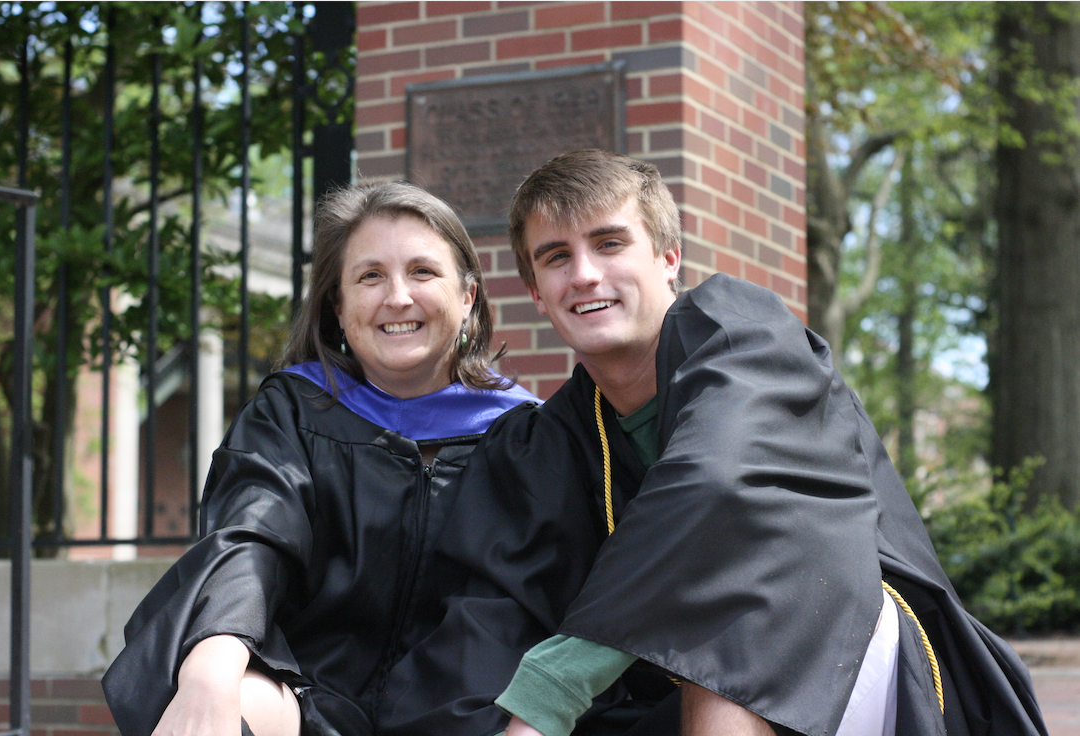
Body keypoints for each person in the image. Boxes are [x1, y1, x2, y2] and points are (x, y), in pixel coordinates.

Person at [479, 149, 1047, 736]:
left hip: (860, 639)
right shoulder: (562, 430)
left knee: (724, 650)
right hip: (700, 677)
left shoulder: (741, 333)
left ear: (669, 258)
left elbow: (715, 484)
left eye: (610, 244)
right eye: (556, 257)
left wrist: (549, 692)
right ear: (536, 292)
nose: (585, 274)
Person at [101, 181, 547, 736]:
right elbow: (251, 535)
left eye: (423, 272)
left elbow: (543, 602)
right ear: (338, 306)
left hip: (468, 712)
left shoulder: (525, 434)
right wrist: (214, 660)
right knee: (215, 704)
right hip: (308, 696)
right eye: (370, 276)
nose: (398, 297)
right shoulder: (292, 413)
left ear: (467, 297)